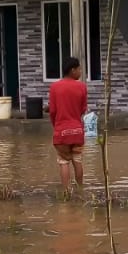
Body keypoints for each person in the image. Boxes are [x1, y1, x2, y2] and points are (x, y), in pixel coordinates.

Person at [48, 56, 87, 192]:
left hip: (61, 132)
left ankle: (66, 192)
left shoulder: (54, 87)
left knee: (63, 161)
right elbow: (83, 110)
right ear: (72, 70)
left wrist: (57, 126)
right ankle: (80, 190)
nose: (80, 72)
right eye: (79, 69)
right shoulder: (82, 87)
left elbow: (52, 111)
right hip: (77, 131)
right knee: (78, 160)